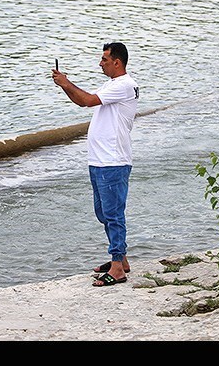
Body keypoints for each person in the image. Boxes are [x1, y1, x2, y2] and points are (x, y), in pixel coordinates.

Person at [52, 42, 139, 287]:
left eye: (104, 59)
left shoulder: (124, 85)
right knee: (103, 213)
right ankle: (121, 259)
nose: (100, 63)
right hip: (100, 160)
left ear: (117, 62)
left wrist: (66, 83)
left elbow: (88, 101)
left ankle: (117, 268)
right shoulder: (112, 84)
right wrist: (64, 86)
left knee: (113, 213)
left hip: (113, 160)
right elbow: (82, 101)